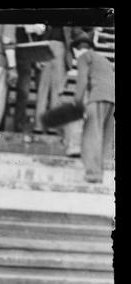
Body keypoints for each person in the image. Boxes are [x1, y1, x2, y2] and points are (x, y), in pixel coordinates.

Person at [71, 30, 115, 183]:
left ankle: (92, 175)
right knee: (104, 138)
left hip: (98, 96)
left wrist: (76, 103)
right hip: (112, 99)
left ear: (76, 48)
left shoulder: (84, 57)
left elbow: (82, 81)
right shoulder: (103, 59)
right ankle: (100, 174)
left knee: (91, 136)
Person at [33, 25, 74, 134]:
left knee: (43, 91)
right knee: (56, 92)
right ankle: (51, 126)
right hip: (57, 46)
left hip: (47, 45)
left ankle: (39, 125)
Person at [13, 23, 46, 133]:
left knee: (41, 92)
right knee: (23, 91)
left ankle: (39, 124)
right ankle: (18, 125)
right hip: (24, 50)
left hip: (39, 50)